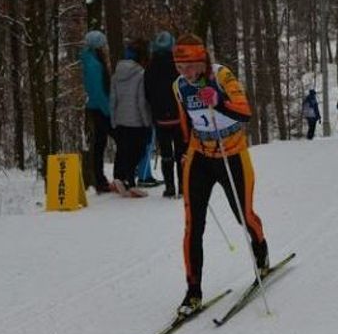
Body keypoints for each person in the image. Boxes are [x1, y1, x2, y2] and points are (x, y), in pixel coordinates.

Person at [172, 33, 269, 315]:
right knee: (193, 225)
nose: (186, 73)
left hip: (232, 153)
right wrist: (183, 149)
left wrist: (219, 101)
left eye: (191, 66)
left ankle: (261, 251)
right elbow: (184, 122)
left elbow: (245, 112)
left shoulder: (222, 75)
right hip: (200, 156)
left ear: (203, 60)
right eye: (180, 67)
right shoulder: (179, 86)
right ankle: (193, 292)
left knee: (243, 215)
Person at [110, 37, 152, 197]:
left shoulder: (116, 75)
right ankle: (130, 182)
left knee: (123, 150)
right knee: (137, 151)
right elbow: (141, 101)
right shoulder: (141, 74)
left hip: (120, 120)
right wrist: (147, 122)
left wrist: (113, 120)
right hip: (136, 121)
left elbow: (113, 99)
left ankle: (120, 178)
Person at [145, 31, 185, 198]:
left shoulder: (150, 67)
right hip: (179, 117)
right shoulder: (178, 65)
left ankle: (169, 187)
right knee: (181, 153)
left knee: (166, 154)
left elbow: (147, 92)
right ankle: (183, 186)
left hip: (160, 118)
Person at [80, 30, 113, 193]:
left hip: (97, 107)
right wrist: (108, 110)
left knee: (100, 143)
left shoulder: (91, 60)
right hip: (100, 108)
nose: (105, 47)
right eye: (103, 44)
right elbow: (98, 91)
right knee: (108, 141)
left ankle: (101, 179)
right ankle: (103, 179)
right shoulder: (94, 64)